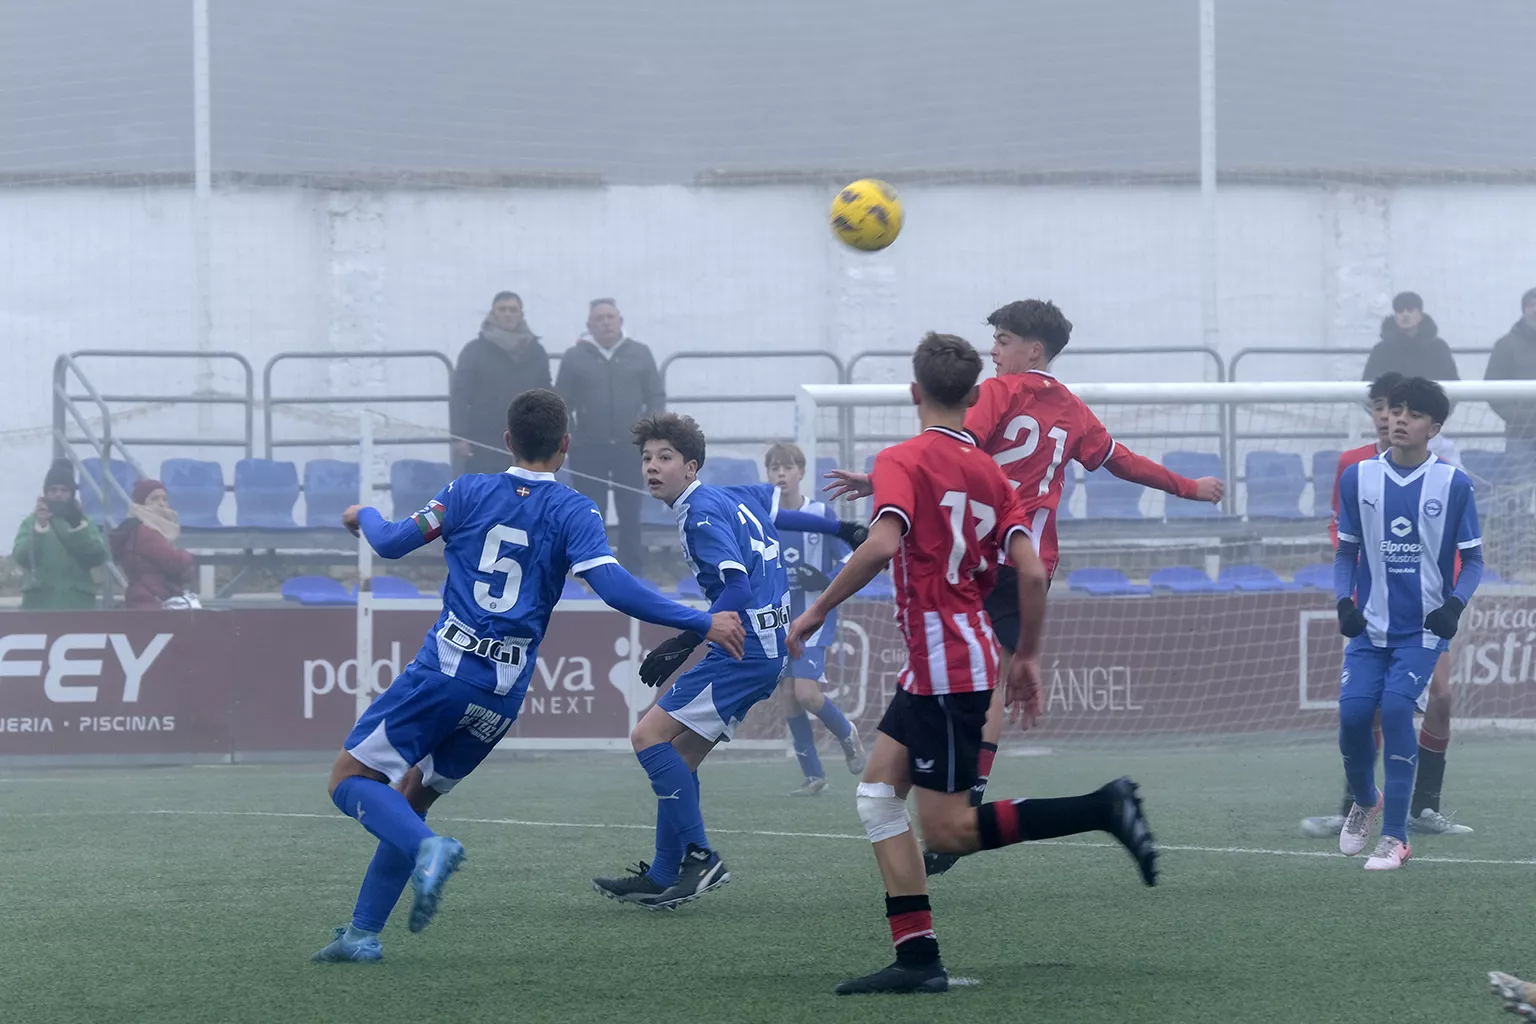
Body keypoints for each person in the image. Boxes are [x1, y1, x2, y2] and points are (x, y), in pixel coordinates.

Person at [312, 389, 744, 963]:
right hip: (503, 695)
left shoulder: (467, 491)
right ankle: (362, 935)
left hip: (445, 670)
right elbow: (614, 588)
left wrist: (361, 513)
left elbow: (390, 542)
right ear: (565, 446)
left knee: (348, 780)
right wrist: (699, 619)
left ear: (508, 440)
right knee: (410, 801)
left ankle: (427, 850)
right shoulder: (576, 510)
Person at [787, 332, 1157, 995]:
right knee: (876, 796)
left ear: (914, 393)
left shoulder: (902, 458)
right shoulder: (991, 472)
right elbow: (1031, 573)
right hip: (961, 651)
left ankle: (1102, 807)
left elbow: (879, 544)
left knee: (950, 830)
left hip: (943, 665)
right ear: (973, 396)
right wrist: (1031, 657)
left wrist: (817, 609)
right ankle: (917, 958)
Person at [827, 300, 1219, 874]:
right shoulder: (1074, 411)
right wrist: (1190, 487)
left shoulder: (998, 392)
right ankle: (969, 794)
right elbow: (1123, 462)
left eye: (1004, 340)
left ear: (1033, 349)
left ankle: (950, 805)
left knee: (949, 668)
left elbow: (957, 445)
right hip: (1030, 558)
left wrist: (892, 477)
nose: (995, 350)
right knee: (991, 679)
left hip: (977, 552)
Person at [589, 413, 790, 910]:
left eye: (665, 457)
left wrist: (684, 639)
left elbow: (738, 586)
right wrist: (844, 526)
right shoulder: (722, 496)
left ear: (691, 466)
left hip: (743, 651)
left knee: (646, 737)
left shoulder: (700, 515)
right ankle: (663, 874)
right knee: (679, 758)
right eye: (646, 458)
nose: (652, 467)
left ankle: (702, 858)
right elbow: (782, 508)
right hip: (762, 647)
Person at [1300, 373, 1472, 839]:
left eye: (1399, 409)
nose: (1389, 416)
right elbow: (1344, 536)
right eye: (1382, 407)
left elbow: (1452, 537)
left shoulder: (1444, 472)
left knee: (1437, 698)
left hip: (1426, 606)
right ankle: (1356, 805)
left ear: (1427, 424)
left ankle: (1422, 809)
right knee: (1369, 709)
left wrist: (1447, 596)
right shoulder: (1355, 466)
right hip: (1374, 603)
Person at [761, 443, 865, 796]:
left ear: (801, 472)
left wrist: (823, 580)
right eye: (774, 468)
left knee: (806, 693)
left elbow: (852, 558)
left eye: (787, 467)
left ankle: (846, 732)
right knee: (788, 697)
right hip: (778, 620)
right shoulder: (766, 518)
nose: (780, 474)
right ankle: (814, 775)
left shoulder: (820, 514)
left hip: (814, 619)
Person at [555, 299, 665, 573]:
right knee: (592, 512)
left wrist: (650, 433)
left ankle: (631, 571)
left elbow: (655, 396)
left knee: (630, 512)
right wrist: (565, 436)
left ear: (620, 321)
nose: (605, 322)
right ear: (590, 325)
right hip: (588, 448)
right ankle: (593, 568)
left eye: (610, 317)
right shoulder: (574, 357)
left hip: (631, 448)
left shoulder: (640, 353)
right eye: (599, 318)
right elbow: (561, 401)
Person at [449, 291, 551, 475]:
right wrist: (459, 436)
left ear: (521, 314)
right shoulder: (474, 351)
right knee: (488, 498)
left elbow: (547, 395)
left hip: (527, 440)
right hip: (484, 441)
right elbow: (459, 396)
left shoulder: (536, 352)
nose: (507, 314)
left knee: (526, 498)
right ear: (493, 313)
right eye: (502, 309)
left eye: (513, 309)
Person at [13, 459, 108, 610]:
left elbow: (97, 556)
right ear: (46, 492)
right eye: (53, 489)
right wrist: (40, 528)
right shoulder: (31, 522)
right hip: (40, 605)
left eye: (64, 490)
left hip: (78, 605)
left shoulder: (84, 522)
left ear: (72, 493)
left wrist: (77, 528)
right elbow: (22, 557)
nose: (58, 494)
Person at [110, 479, 196, 610]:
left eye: (164, 499)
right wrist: (187, 557)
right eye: (155, 499)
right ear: (141, 503)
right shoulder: (145, 531)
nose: (161, 504)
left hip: (148, 596)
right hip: (150, 599)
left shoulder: (149, 528)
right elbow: (171, 560)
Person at [1360, 291, 1460, 387]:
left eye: (1410, 309)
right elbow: (1367, 385)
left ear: (1420, 315)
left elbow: (1453, 385)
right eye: (1400, 310)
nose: (1405, 314)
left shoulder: (1438, 348)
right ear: (1395, 316)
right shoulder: (1381, 350)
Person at [1485, 286, 1536, 473]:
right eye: (1532, 304)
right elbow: (1492, 390)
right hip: (1520, 437)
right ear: (1524, 309)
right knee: (1519, 492)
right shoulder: (1506, 345)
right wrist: (1521, 419)